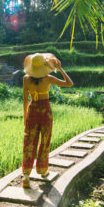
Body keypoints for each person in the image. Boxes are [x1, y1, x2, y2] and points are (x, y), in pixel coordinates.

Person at [22, 53, 73, 188]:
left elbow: (25, 100)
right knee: (45, 140)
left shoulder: (26, 79)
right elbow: (69, 83)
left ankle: (26, 174)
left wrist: (25, 117)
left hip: (33, 110)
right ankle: (43, 171)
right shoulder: (48, 78)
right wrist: (60, 68)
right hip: (45, 110)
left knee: (29, 141)